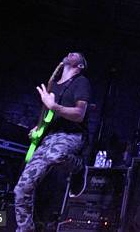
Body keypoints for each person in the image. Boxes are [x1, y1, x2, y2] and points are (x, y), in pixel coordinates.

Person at [14, 52, 92, 232]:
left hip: (71, 135)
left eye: (76, 55)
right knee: (21, 190)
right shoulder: (53, 85)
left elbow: (79, 115)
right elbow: (48, 115)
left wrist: (54, 106)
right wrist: (38, 128)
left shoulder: (81, 82)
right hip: (49, 138)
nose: (71, 52)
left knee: (55, 155)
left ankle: (79, 167)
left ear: (79, 65)